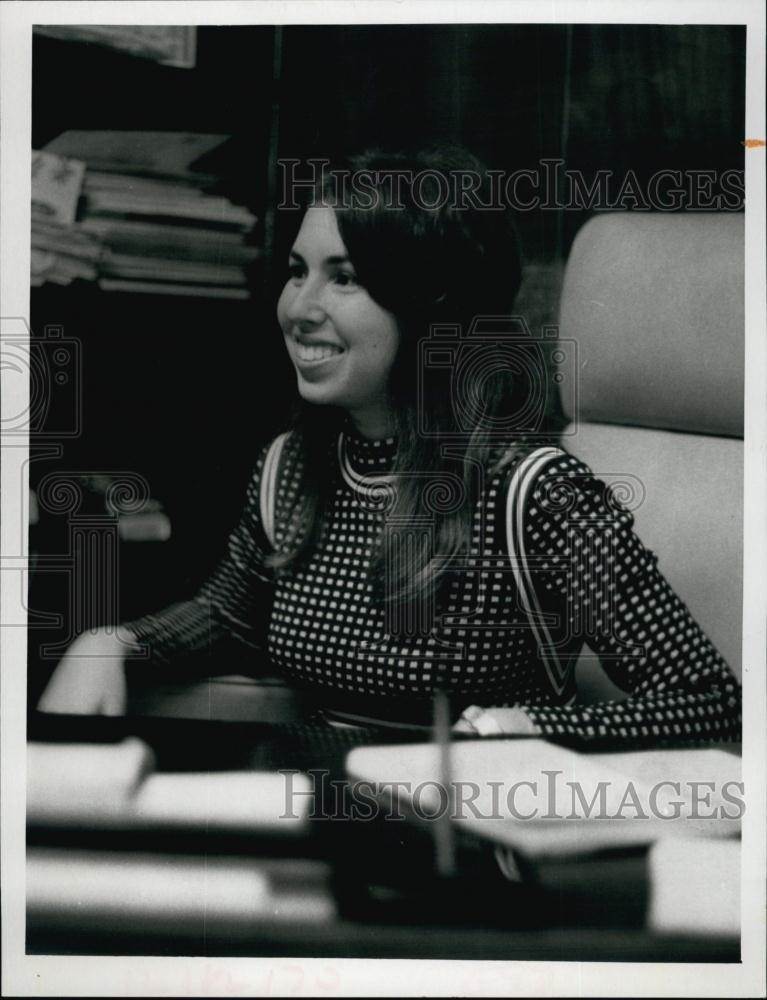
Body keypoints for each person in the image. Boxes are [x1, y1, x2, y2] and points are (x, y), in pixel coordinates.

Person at [39, 148, 741, 746]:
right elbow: (230, 612)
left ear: (429, 303)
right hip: (316, 806)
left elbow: (707, 698)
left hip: (464, 834)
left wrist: (525, 728)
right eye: (296, 270)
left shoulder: (535, 492)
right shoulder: (290, 466)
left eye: (343, 278)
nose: (299, 307)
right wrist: (112, 640)